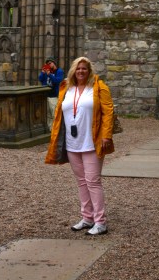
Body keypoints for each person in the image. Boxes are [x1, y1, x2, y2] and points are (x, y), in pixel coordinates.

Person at [45, 56, 114, 235]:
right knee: (82, 182)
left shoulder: (98, 86)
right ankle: (87, 218)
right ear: (73, 71)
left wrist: (106, 135)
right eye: (78, 68)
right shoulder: (66, 87)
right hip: (72, 143)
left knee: (93, 181)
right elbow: (60, 113)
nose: (81, 71)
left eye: (84, 68)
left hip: (92, 141)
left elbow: (108, 112)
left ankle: (100, 222)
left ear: (89, 70)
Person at [38, 58, 65, 127]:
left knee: (55, 114)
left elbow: (57, 81)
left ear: (54, 63)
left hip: (54, 96)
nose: (49, 65)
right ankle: (50, 130)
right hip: (45, 95)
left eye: (50, 63)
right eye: (47, 64)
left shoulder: (59, 71)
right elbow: (40, 79)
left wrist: (49, 74)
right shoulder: (47, 71)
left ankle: (56, 129)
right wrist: (42, 72)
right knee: (47, 115)